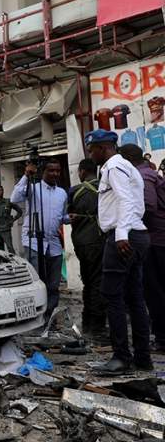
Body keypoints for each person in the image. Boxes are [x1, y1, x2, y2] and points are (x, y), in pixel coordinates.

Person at [86, 130, 151, 374]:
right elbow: (136, 203)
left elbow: (126, 200)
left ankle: (121, 357)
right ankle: (143, 358)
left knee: (112, 297)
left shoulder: (113, 167)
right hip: (137, 234)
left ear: (102, 148)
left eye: (92, 149)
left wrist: (121, 233)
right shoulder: (127, 166)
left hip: (123, 237)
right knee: (134, 299)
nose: (90, 154)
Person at [11, 158, 69, 321]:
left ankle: (49, 318)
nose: (55, 174)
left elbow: (62, 216)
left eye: (57, 171)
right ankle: (35, 318)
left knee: (53, 285)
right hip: (34, 242)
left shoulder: (62, 193)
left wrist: (68, 218)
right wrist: (26, 175)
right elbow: (14, 198)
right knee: (37, 283)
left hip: (54, 244)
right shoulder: (33, 188)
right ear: (43, 172)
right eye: (51, 170)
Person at [120, 144, 165, 353]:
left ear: (128, 159)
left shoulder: (143, 177)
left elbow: (147, 206)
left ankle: (163, 338)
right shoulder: (150, 174)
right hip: (158, 239)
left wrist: (130, 226)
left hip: (155, 241)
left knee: (154, 291)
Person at [68, 158, 107, 337]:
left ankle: (88, 323)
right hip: (98, 241)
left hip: (80, 243)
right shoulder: (103, 188)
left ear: (82, 172)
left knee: (88, 283)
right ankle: (97, 327)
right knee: (98, 283)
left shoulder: (74, 191)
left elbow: (68, 215)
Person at [0, 185, 23, 253]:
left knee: (10, 248)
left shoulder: (8, 202)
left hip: (6, 230)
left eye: (1, 190)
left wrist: (13, 220)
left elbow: (20, 211)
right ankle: (3, 263)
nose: (0, 192)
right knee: (0, 251)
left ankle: (15, 263)